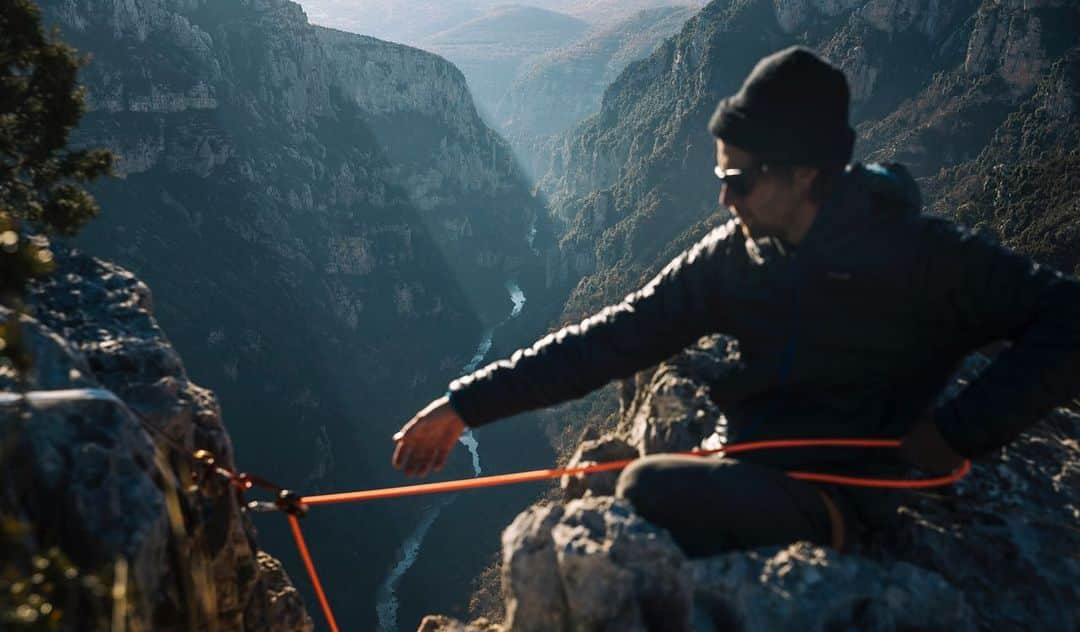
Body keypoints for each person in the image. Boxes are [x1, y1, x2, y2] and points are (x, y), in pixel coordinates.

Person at [391, 46, 1080, 555]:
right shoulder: (739, 255)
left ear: (805, 172)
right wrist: (465, 404)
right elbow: (619, 335)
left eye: (739, 180)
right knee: (601, 485)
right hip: (753, 463)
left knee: (644, 493)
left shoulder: (919, 254)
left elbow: (1067, 316)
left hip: (845, 495)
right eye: (721, 175)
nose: (724, 198)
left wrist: (958, 433)